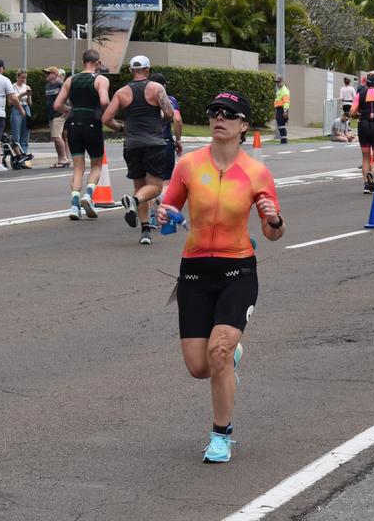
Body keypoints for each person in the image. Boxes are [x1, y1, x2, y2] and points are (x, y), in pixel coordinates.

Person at [156, 90, 283, 464]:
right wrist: (163, 215)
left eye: (229, 113)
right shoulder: (189, 166)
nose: (219, 117)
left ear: (243, 125)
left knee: (218, 351)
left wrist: (273, 219)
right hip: (194, 271)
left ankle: (221, 435)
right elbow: (169, 206)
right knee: (200, 367)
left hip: (237, 270)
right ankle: (231, 357)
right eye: (214, 111)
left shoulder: (257, 173)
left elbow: (274, 233)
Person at [102, 55, 174, 245]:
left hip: (132, 144)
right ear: (148, 70)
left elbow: (106, 118)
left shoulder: (121, 92)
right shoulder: (157, 88)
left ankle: (145, 232)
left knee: (140, 186)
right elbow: (169, 113)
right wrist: (161, 122)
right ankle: (134, 201)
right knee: (156, 187)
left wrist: (120, 128)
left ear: (131, 71)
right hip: (153, 143)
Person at [54, 49, 110, 219]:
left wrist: (71, 111)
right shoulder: (101, 79)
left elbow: (57, 105)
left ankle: (74, 205)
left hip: (73, 124)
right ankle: (88, 195)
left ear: (83, 62)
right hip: (92, 123)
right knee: (96, 164)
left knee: (78, 167)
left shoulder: (71, 80)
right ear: (98, 63)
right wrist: (108, 113)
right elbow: (104, 101)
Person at [150, 72, 183, 185]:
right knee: (165, 181)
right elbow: (177, 119)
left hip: (146, 143)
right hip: (164, 142)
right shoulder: (170, 100)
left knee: (148, 182)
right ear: (163, 86)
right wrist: (178, 140)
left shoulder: (144, 100)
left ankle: (145, 200)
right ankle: (160, 201)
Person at [42, 67, 69, 168]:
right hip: (51, 115)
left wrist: (67, 111)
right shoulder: (48, 86)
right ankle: (61, 159)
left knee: (57, 137)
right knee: (57, 137)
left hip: (59, 114)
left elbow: (68, 97)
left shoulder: (60, 85)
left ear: (55, 75)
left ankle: (64, 159)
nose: (47, 75)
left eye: (49, 73)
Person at [10, 69, 32, 154]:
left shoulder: (27, 87)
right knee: (16, 134)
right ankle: (18, 155)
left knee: (26, 134)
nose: (23, 80)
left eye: (25, 78)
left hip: (26, 108)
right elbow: (11, 102)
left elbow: (30, 103)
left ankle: (24, 155)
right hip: (16, 109)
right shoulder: (12, 87)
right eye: (22, 78)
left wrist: (29, 96)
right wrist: (21, 95)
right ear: (17, 77)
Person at [272, 76, 290, 144]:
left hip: (282, 109)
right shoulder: (280, 90)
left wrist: (285, 111)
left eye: (278, 82)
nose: (277, 83)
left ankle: (284, 141)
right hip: (279, 109)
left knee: (281, 125)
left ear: (282, 82)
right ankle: (283, 140)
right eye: (276, 82)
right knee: (280, 125)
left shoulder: (284, 90)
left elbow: (286, 101)